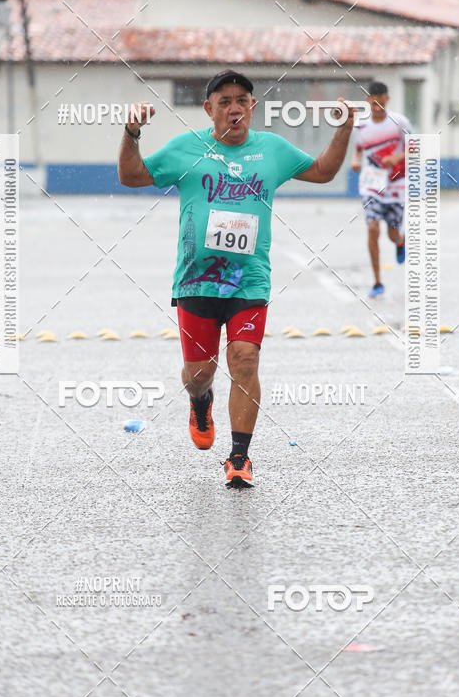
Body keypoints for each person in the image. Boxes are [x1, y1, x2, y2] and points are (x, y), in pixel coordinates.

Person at [118, 69, 356, 488]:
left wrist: (344, 129)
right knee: (198, 372)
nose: (234, 108)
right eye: (224, 101)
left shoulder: (271, 150)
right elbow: (131, 176)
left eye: (242, 100)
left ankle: (240, 457)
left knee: (244, 359)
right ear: (209, 109)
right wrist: (132, 133)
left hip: (249, 281)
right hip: (196, 280)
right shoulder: (186, 149)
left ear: (252, 108)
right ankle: (199, 400)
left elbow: (322, 172)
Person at [350, 81, 411, 298]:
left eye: (381, 99)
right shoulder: (361, 125)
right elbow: (358, 150)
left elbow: (416, 147)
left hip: (395, 184)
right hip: (371, 183)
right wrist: (355, 161)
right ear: (368, 101)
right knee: (373, 228)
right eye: (373, 100)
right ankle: (377, 282)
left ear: (387, 99)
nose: (376, 104)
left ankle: (400, 240)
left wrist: (397, 157)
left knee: (392, 233)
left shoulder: (399, 122)